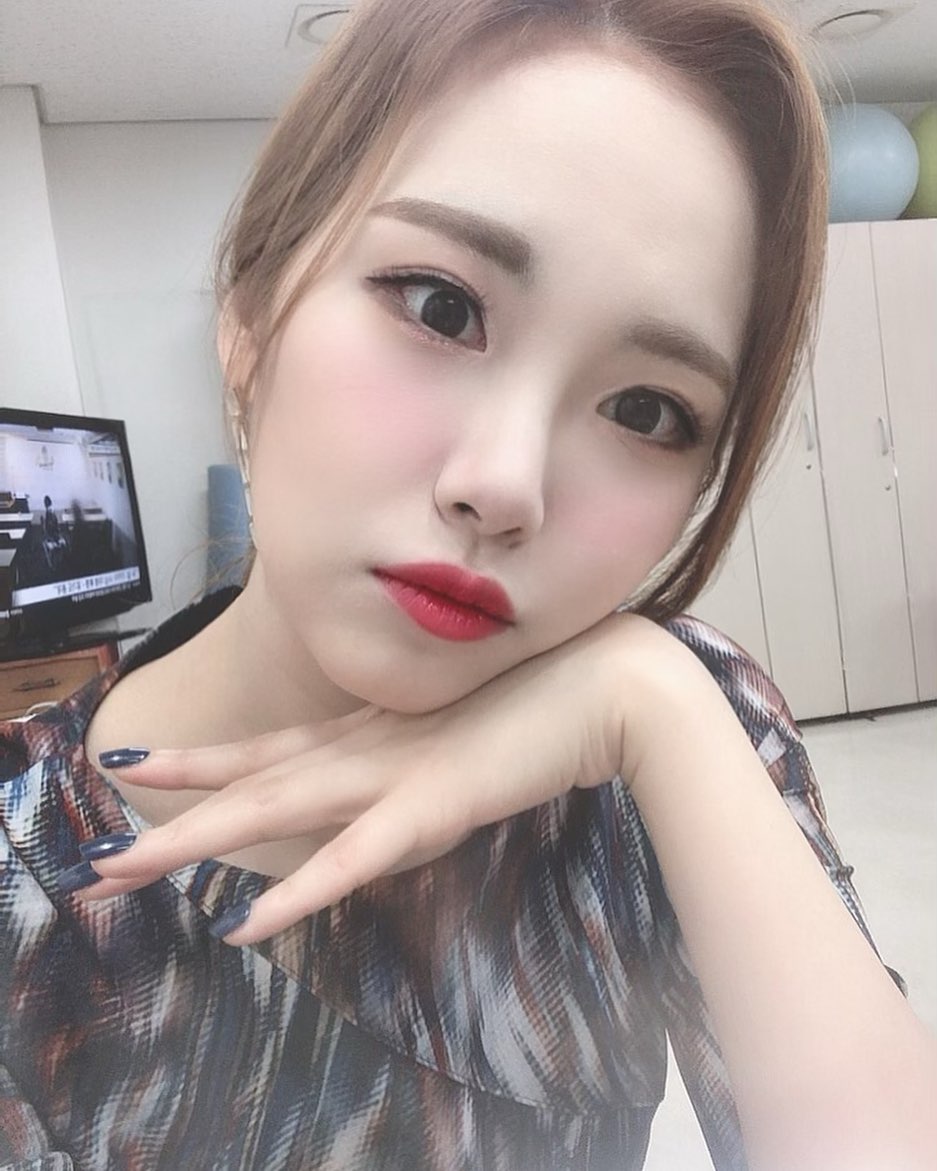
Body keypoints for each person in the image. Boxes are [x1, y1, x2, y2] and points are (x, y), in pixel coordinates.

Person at [2, 1, 935, 1168]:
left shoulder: (686, 720)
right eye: (440, 306)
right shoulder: (23, 888)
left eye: (645, 409)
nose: (505, 484)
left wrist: (652, 705)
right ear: (248, 316)